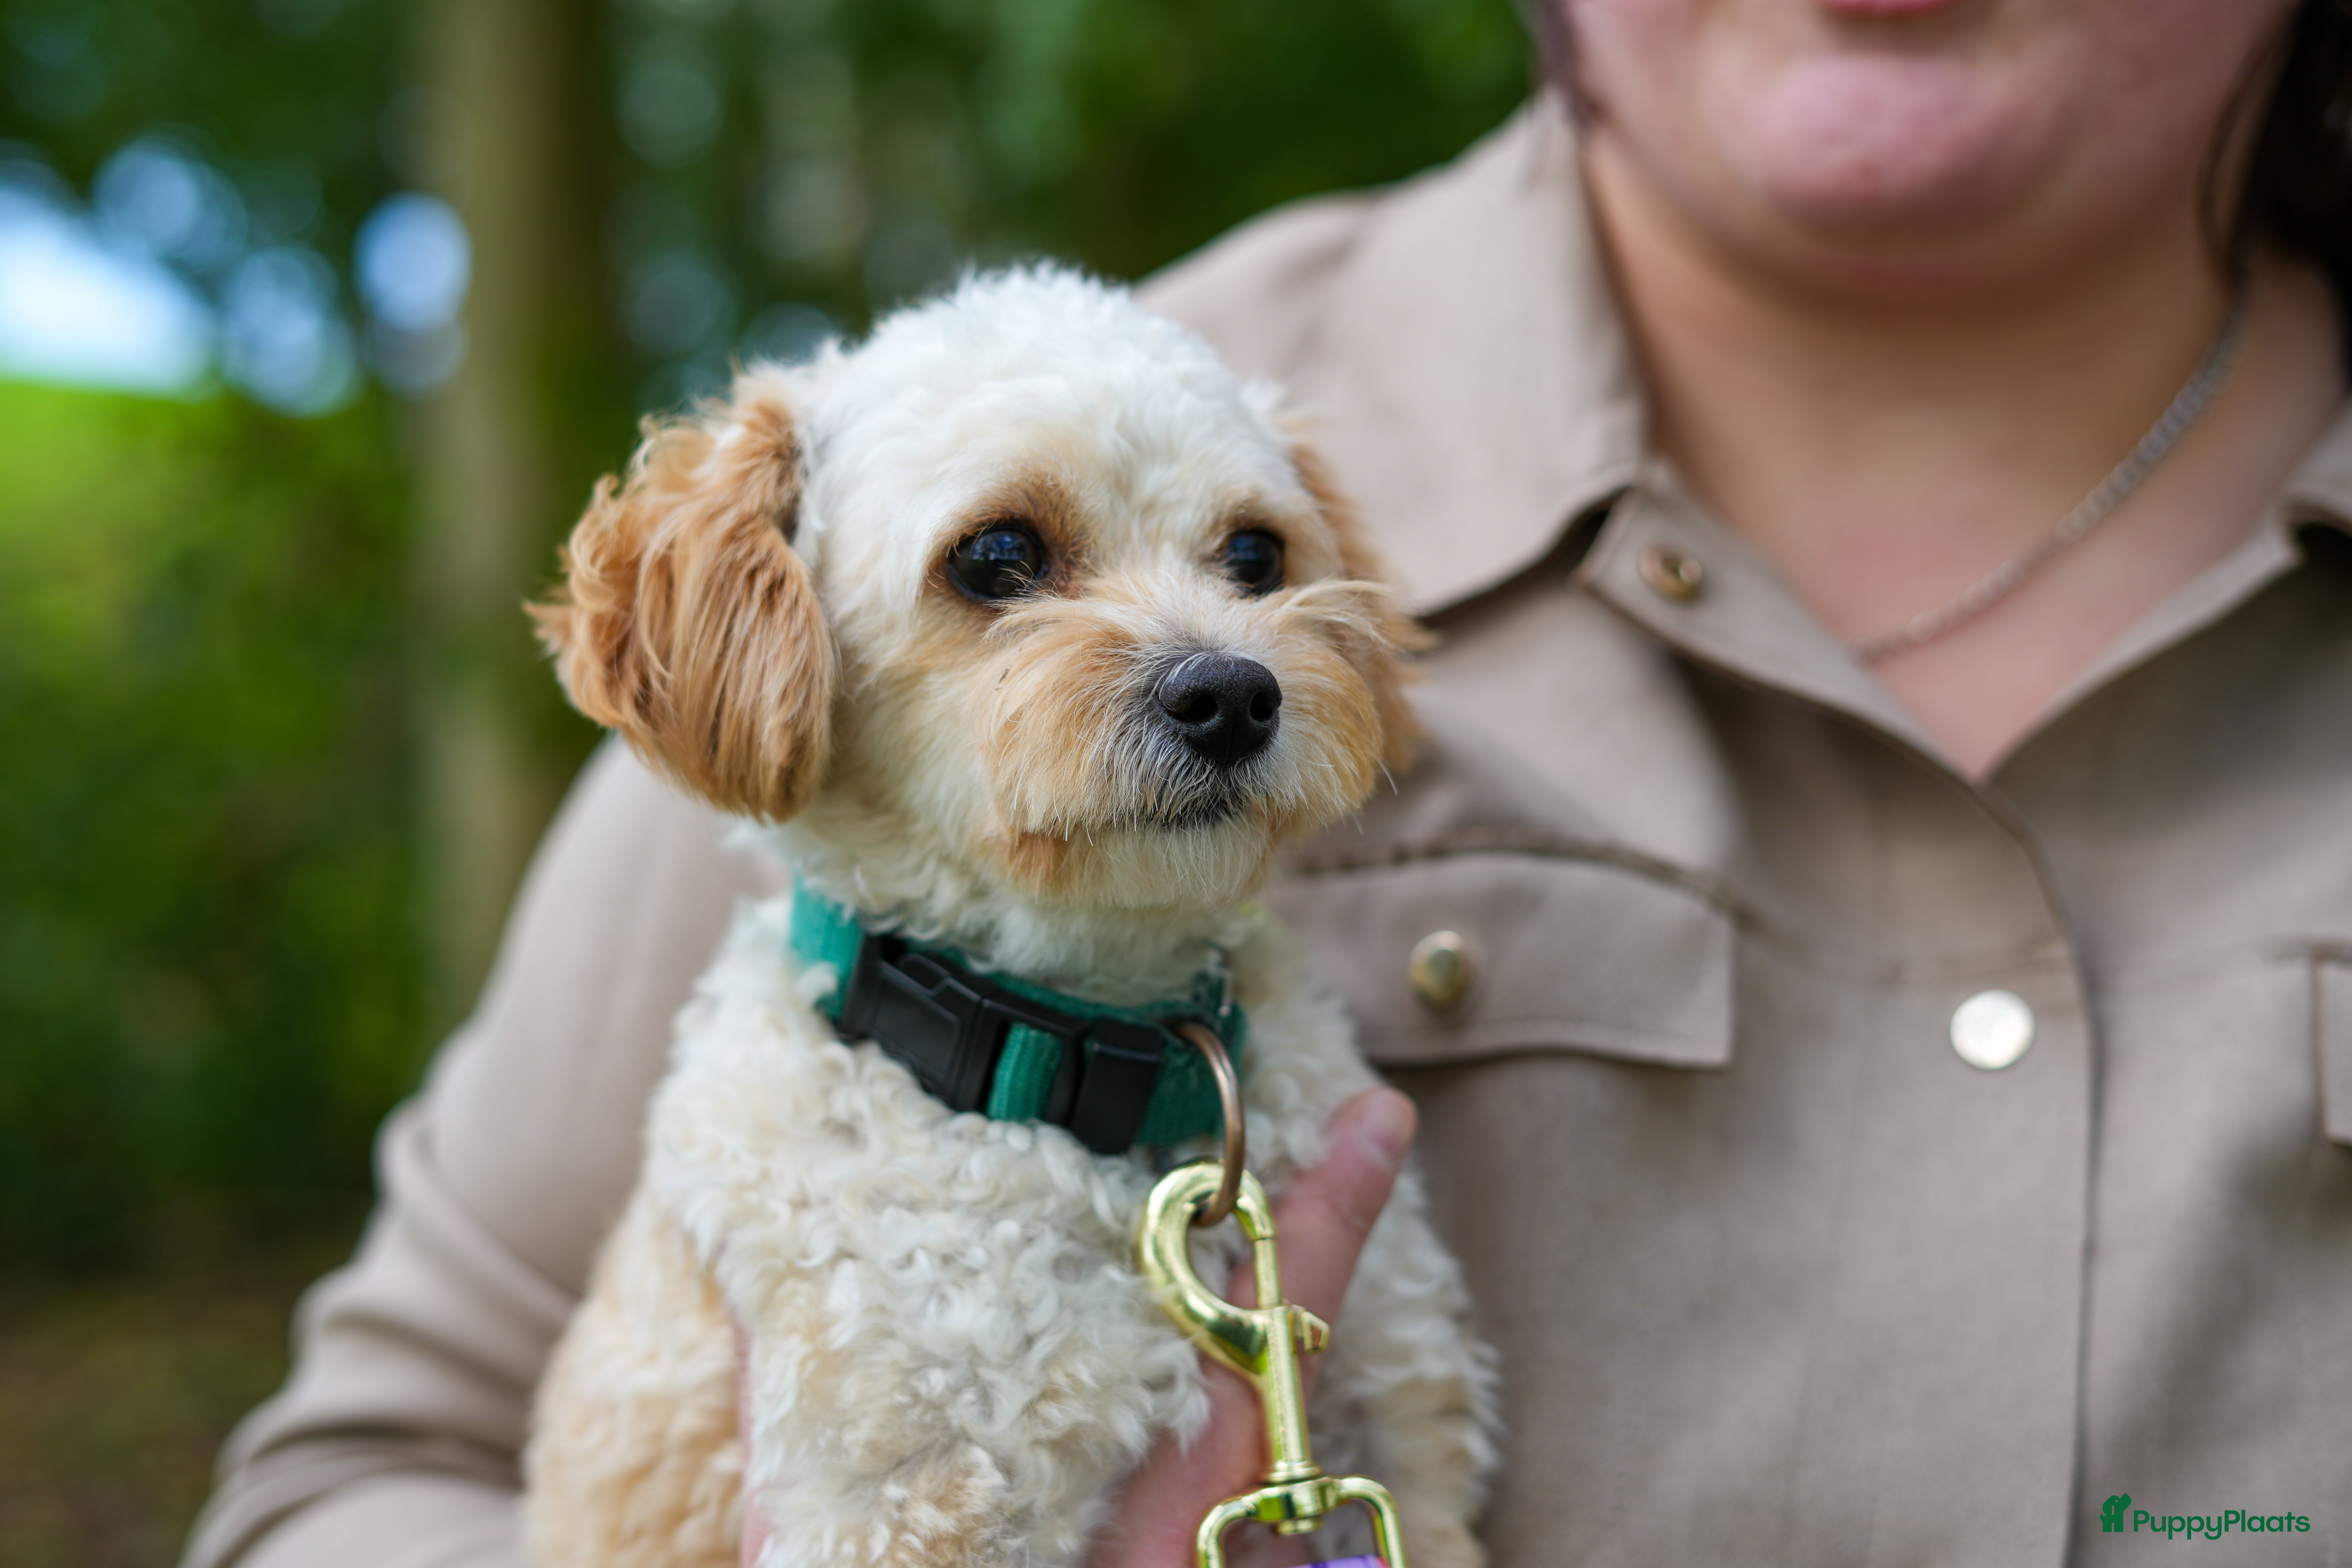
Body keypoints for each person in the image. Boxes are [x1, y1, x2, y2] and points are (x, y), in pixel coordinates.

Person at [188, 1, 2352, 1564]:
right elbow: (355, 1479)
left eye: (1250, 567)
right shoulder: (913, 451)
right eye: (1008, 572)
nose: (1219, 662)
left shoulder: (1168, 432)